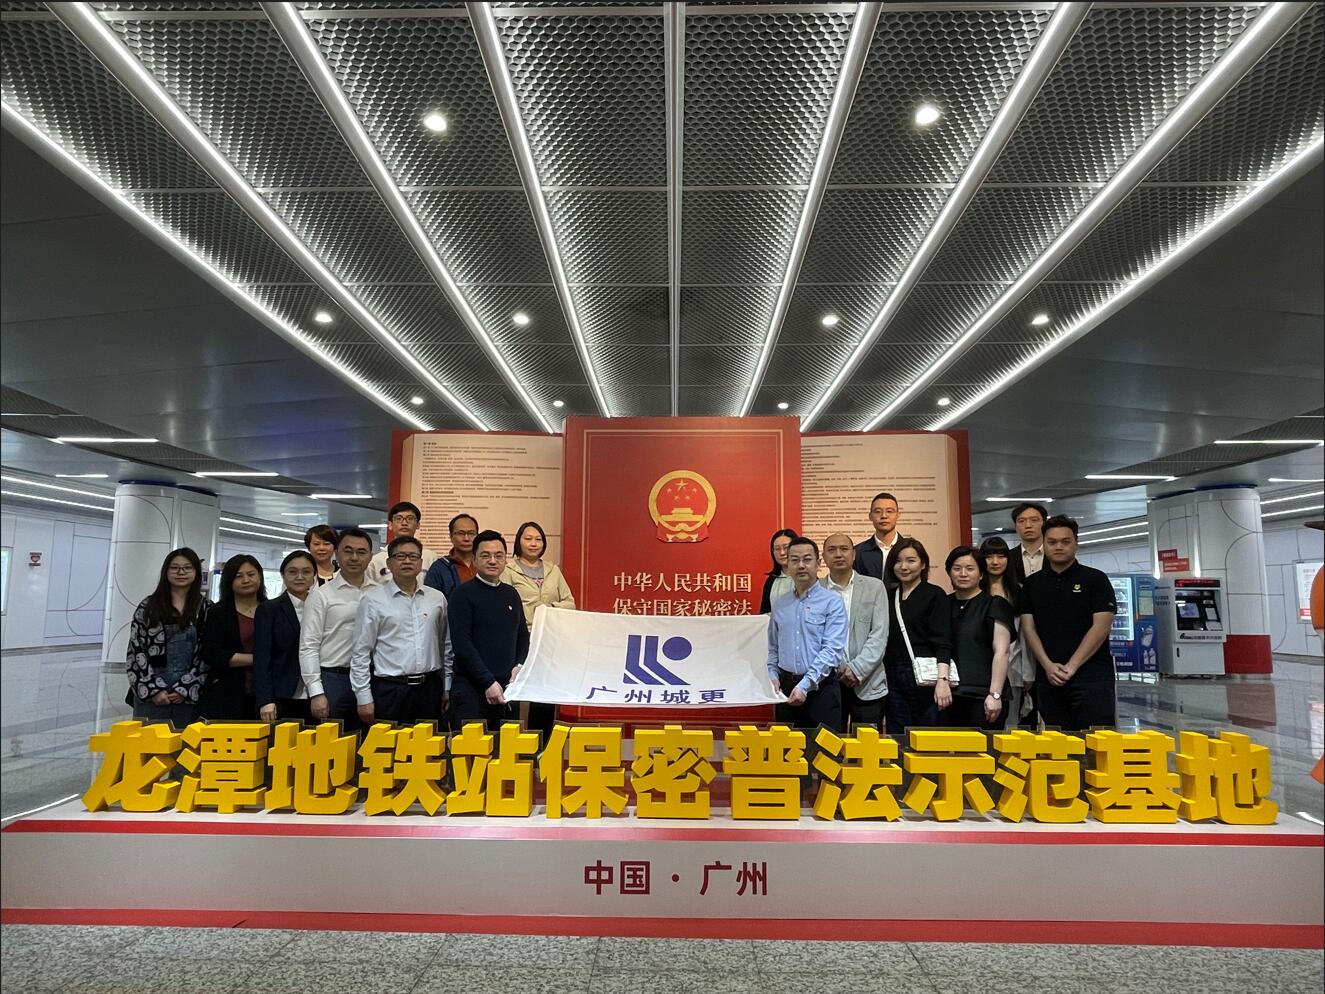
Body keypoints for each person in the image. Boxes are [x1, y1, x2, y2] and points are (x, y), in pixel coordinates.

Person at [1019, 515, 1118, 733]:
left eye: (1065, 541)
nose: (1058, 547)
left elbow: (1101, 627)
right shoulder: (1032, 584)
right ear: (1044, 544)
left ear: (1076, 543)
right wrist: (1047, 666)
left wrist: (1072, 666)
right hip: (1049, 679)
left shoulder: (1095, 579)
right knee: (1059, 744)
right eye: (1052, 542)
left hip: (1092, 678)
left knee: (1097, 742)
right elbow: (1028, 628)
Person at [350, 536, 452, 726]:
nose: (407, 561)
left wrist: (447, 686)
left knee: (428, 744)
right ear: (389, 563)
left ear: (421, 563)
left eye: (413, 556)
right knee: (388, 744)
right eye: (400, 556)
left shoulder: (437, 598)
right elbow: (361, 652)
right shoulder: (373, 600)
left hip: (429, 690)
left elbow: (445, 646)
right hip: (389, 691)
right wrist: (363, 697)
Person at [448, 530, 530, 732]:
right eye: (485, 555)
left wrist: (519, 665)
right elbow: (462, 645)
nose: (493, 561)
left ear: (505, 560)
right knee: (471, 750)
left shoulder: (511, 593)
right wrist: (488, 682)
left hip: (508, 690)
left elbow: (522, 636)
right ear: (474, 559)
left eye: (498, 555)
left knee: (507, 749)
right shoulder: (462, 594)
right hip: (472, 690)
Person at [767, 537, 847, 734]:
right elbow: (773, 647)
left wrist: (805, 685)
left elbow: (832, 650)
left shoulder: (832, 602)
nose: (801, 565)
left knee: (824, 751)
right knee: (787, 750)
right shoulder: (780, 604)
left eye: (807, 559)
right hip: (786, 690)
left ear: (818, 564)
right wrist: (772, 676)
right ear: (788, 565)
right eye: (794, 560)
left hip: (821, 689)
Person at [300, 527, 377, 730]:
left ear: (370, 556)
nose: (354, 557)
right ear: (337, 554)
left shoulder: (380, 593)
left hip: (373, 678)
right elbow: (308, 645)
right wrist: (316, 692)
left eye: (361, 552)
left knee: (371, 743)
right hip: (334, 680)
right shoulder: (320, 595)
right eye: (348, 551)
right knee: (334, 743)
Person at [125, 547, 209, 726]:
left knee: (187, 741)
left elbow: (207, 654)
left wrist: (185, 688)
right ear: (166, 571)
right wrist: (154, 690)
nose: (181, 572)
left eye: (187, 568)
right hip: (152, 695)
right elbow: (136, 651)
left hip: (190, 697)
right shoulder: (148, 607)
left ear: (196, 572)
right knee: (150, 740)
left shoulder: (206, 608)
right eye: (175, 568)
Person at [881, 537, 952, 740]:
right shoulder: (888, 595)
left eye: (911, 560)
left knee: (929, 739)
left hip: (926, 677)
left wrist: (942, 681)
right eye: (898, 561)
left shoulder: (934, 594)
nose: (903, 567)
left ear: (923, 564)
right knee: (897, 739)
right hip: (892, 677)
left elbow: (943, 641)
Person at [820, 532, 889, 730]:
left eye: (844, 549)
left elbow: (879, 635)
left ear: (854, 554)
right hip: (828, 682)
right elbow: (815, 638)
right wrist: (841, 667)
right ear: (823, 557)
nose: (838, 554)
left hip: (868, 683)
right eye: (831, 550)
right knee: (829, 744)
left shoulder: (874, 587)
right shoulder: (816, 590)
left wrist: (857, 669)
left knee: (867, 745)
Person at [945, 546, 1014, 730]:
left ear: (981, 574)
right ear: (949, 572)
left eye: (970, 569)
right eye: (957, 568)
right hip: (950, 694)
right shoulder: (943, 604)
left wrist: (995, 694)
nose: (963, 574)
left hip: (984, 695)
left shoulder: (995, 604)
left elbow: (1002, 651)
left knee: (984, 747)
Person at [198, 554, 266, 719]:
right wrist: (256, 659)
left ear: (259, 577)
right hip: (227, 692)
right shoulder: (218, 612)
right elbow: (211, 653)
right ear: (229, 581)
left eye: (251, 574)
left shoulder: (272, 609)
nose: (246, 580)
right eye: (238, 576)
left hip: (265, 693)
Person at [253, 550, 317, 724]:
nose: (299, 577)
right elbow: (262, 658)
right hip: (281, 694)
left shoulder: (322, 606)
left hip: (317, 695)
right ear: (282, 575)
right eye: (292, 572)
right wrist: (265, 700)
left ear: (314, 575)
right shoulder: (269, 609)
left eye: (306, 572)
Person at [982, 535, 1035, 728]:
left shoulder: (1019, 591)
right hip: (980, 668)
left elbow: (1025, 635)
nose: (995, 562)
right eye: (989, 556)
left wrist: (1028, 673)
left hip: (1013, 668)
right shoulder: (974, 590)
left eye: (1001, 556)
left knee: (1010, 725)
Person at [503, 520, 575, 625]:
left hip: (551, 628)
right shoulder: (508, 570)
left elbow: (570, 604)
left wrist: (551, 607)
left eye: (538, 539)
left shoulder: (553, 570)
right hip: (523, 630)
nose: (533, 544)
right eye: (528, 539)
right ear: (518, 541)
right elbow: (504, 606)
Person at [369, 501, 439, 582]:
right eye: (399, 518)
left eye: (410, 519)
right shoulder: (376, 560)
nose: (404, 523)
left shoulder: (431, 557)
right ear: (390, 525)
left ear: (418, 524)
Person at [424, 513, 479, 598]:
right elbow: (430, 600)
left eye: (471, 533)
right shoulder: (439, 567)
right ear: (451, 536)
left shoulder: (484, 564)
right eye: (460, 533)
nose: (466, 538)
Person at [855, 492, 904, 587]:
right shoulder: (857, 552)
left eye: (889, 511)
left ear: (898, 515)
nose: (884, 516)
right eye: (877, 511)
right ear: (870, 516)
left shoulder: (909, 550)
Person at [1007, 501, 1049, 586]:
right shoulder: (1008, 557)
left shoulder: (1055, 554)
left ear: (1044, 523)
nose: (1028, 525)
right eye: (1021, 521)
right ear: (1015, 526)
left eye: (1034, 520)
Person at [758, 528, 798, 614]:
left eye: (786, 548)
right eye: (777, 549)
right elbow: (764, 612)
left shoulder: (807, 578)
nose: (782, 553)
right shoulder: (771, 581)